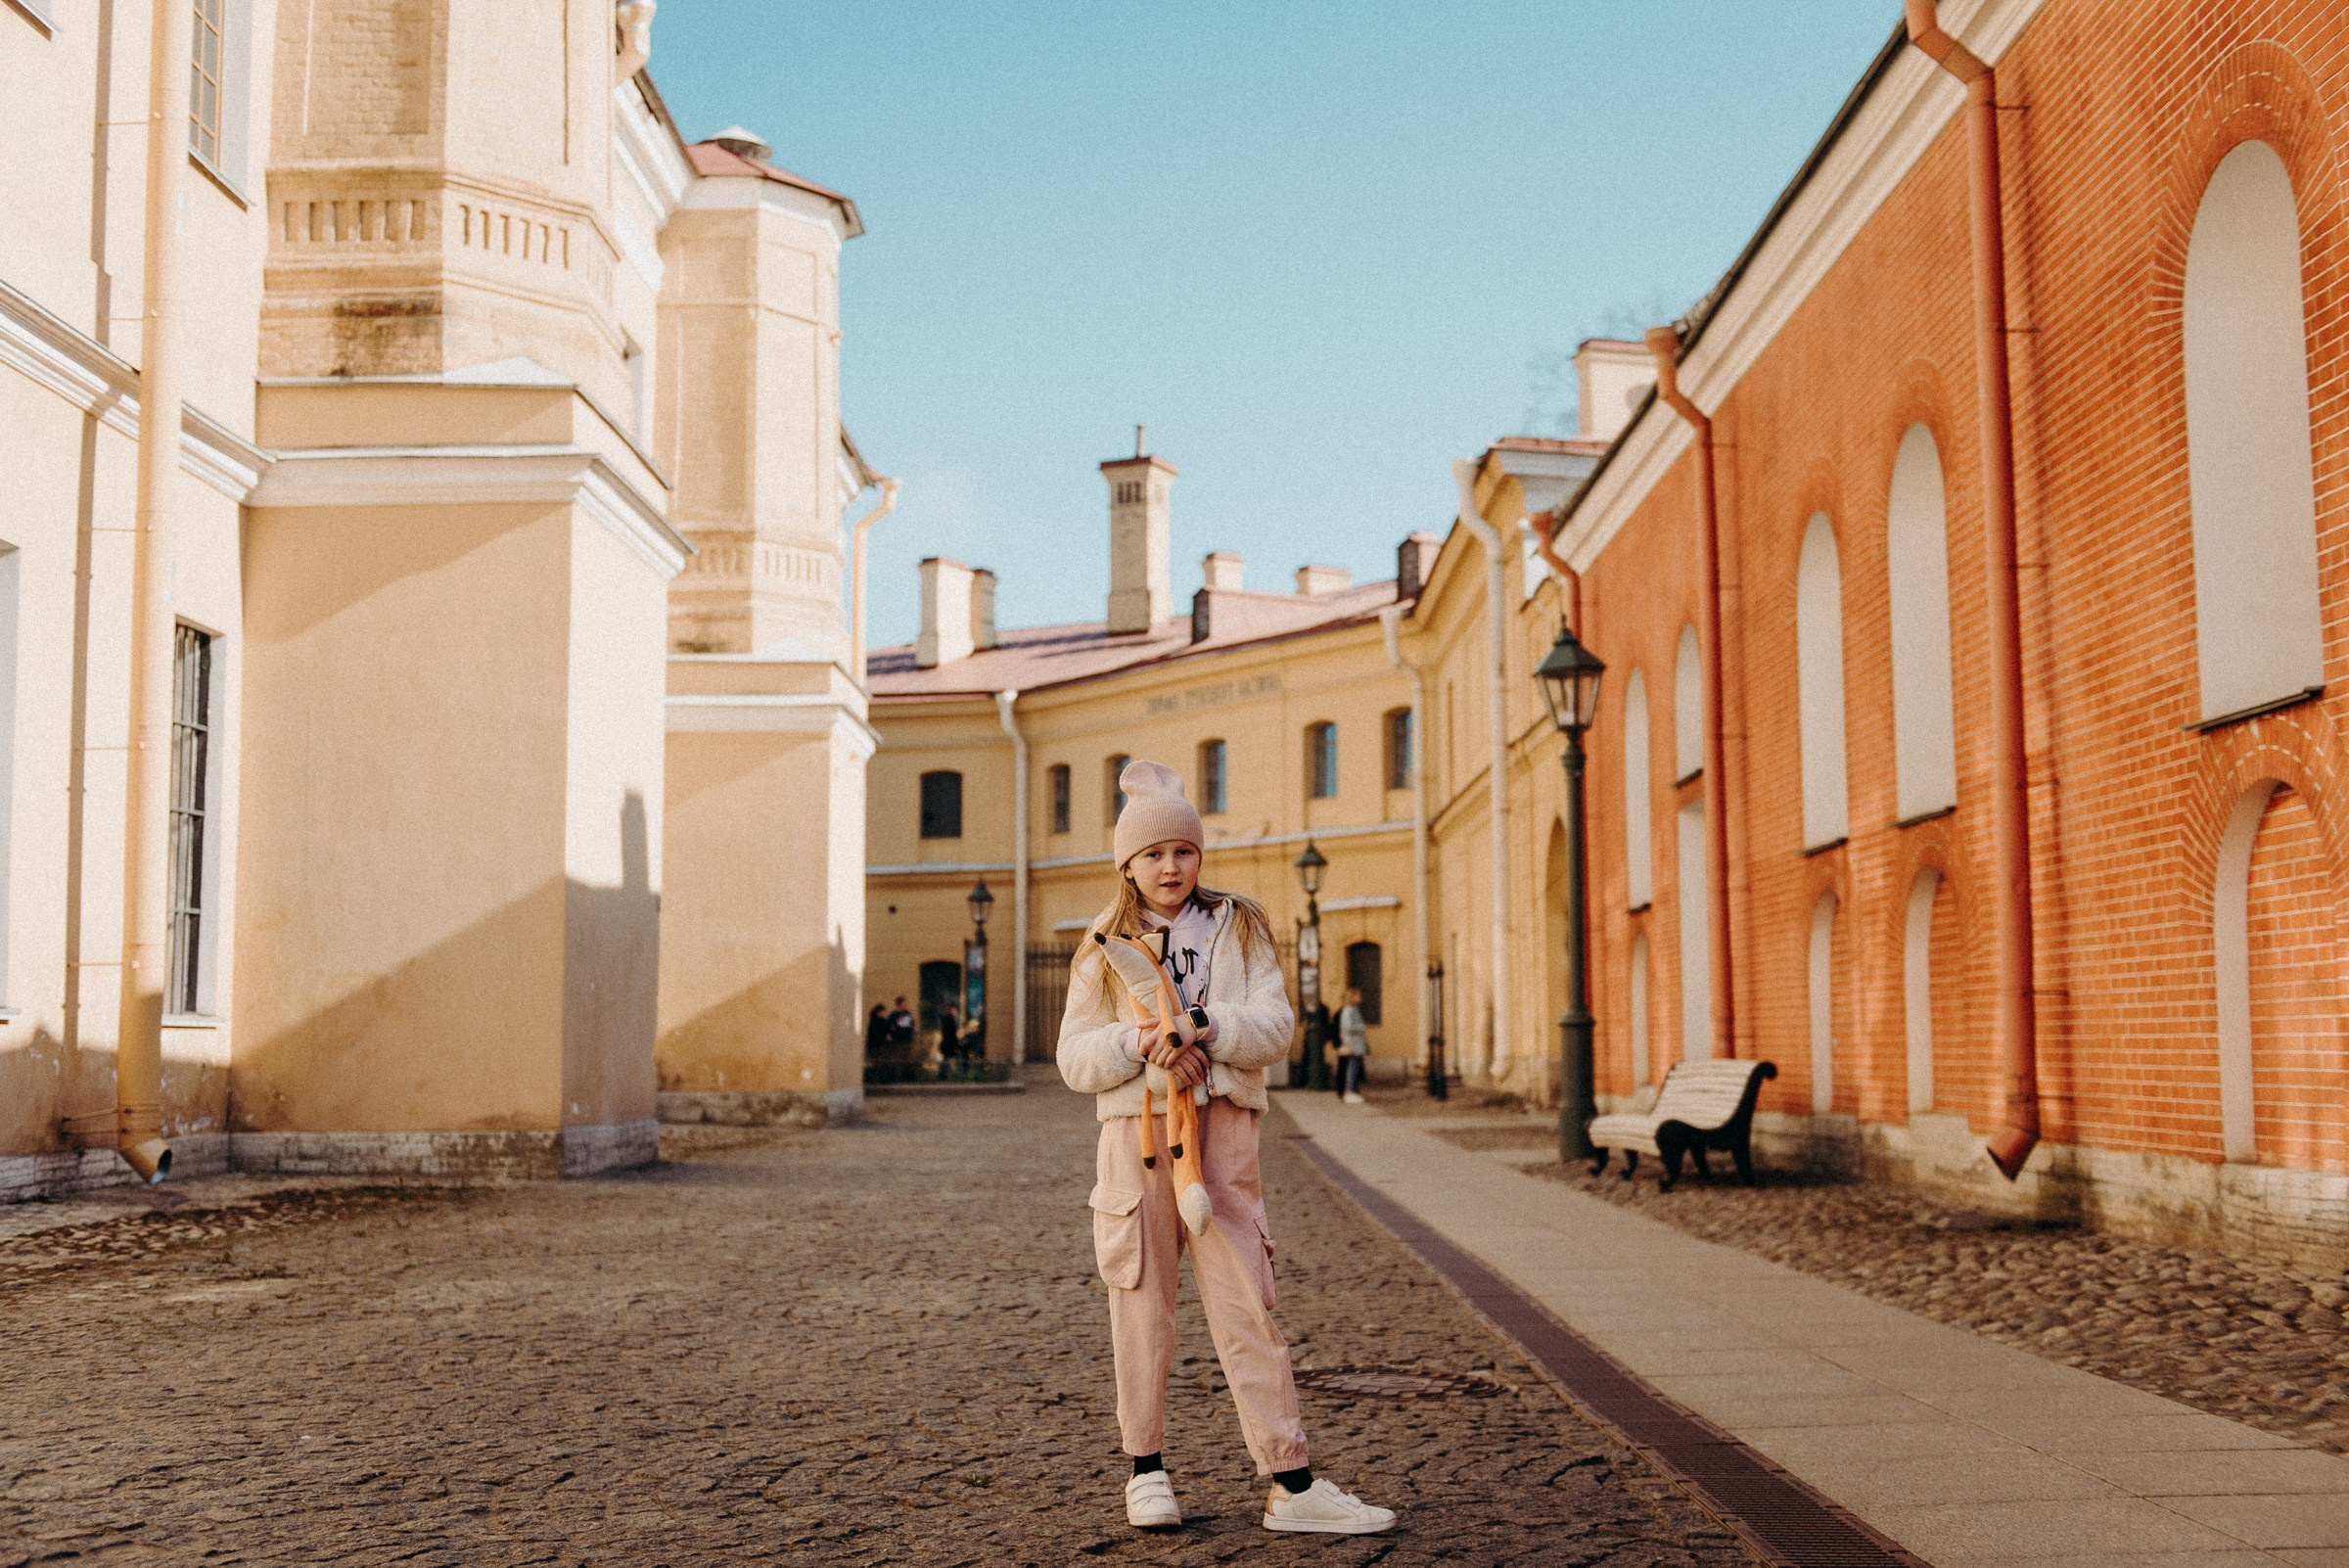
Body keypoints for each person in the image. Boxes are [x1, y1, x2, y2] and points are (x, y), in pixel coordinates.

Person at [1058, 759, 1397, 1537]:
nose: (1170, 866)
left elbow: (1275, 1026)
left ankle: (1290, 1481)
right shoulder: (1103, 943)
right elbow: (1074, 1057)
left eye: (1183, 851)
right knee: (1140, 1307)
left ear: (1198, 854)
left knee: (1249, 1305)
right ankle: (1145, 1471)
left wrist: (1206, 1029)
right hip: (1136, 1143)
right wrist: (1139, 1042)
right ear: (1128, 864)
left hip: (1223, 1142)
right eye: (1152, 854)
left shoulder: (1239, 924)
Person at [1335, 988, 1369, 1103]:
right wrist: (1361, 1027)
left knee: (1354, 1067)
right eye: (1358, 996)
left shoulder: (1353, 1009)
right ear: (1352, 997)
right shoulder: (1349, 1010)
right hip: (1352, 1044)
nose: (1360, 998)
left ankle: (1352, 1091)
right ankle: (1349, 1092)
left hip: (1356, 1044)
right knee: (1352, 1068)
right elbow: (1348, 1027)